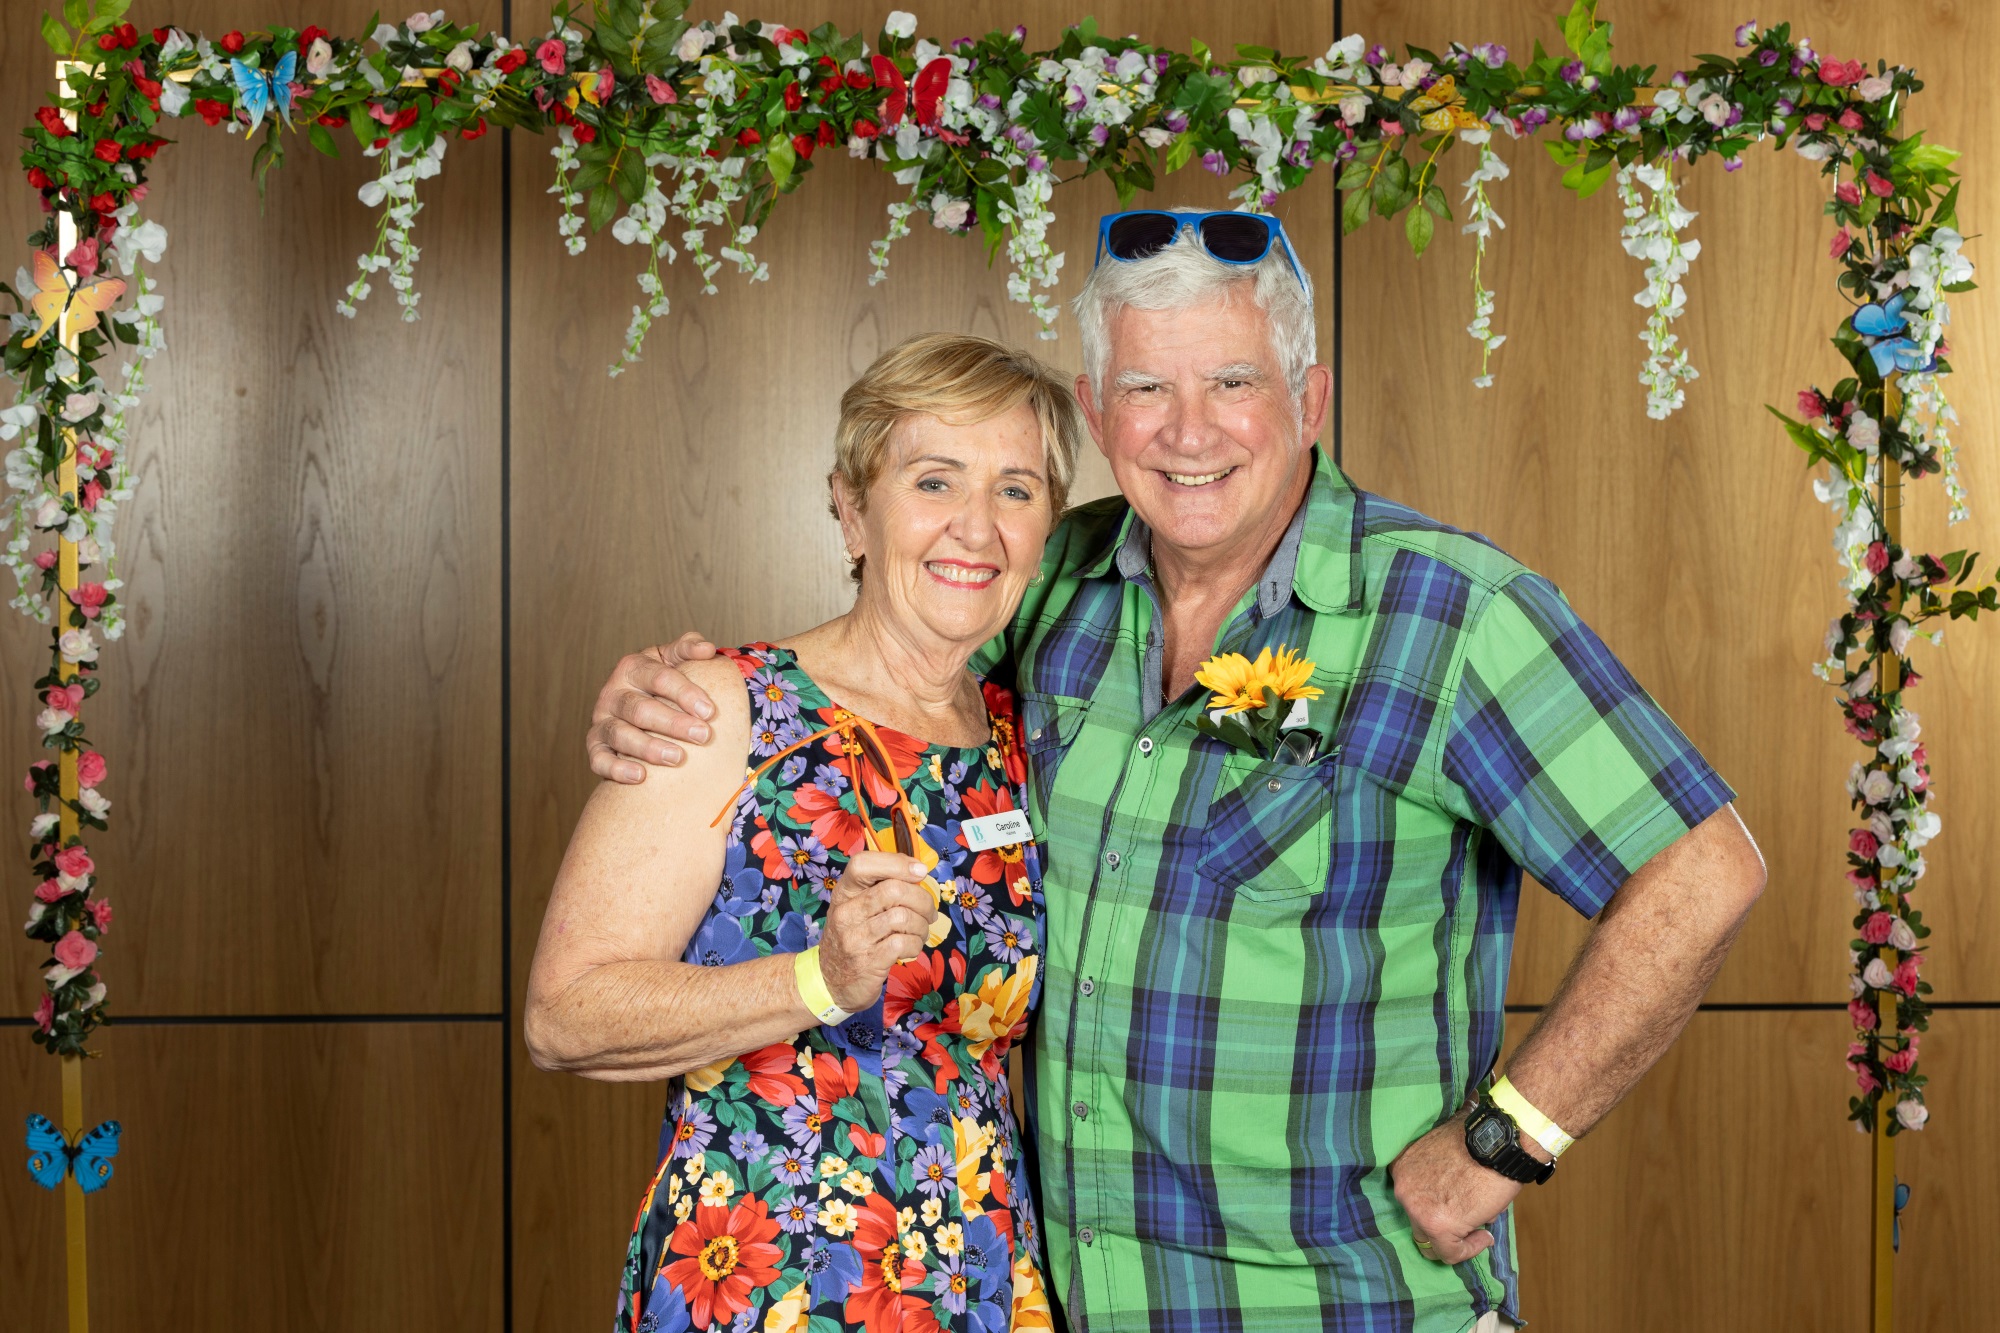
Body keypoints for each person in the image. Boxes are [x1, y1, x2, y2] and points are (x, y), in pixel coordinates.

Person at [581, 210, 1768, 1333]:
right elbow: (875, 675)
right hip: (1056, 1299)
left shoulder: (1451, 612)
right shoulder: (1051, 583)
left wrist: (1505, 1141)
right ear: (1098, 410)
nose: (1186, 432)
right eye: (1146, 387)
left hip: (1344, 1300)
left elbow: (1699, 870)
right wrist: (689, 694)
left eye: (1232, 384)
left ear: (1308, 399)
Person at [525, 333, 1085, 1333]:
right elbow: (564, 1015)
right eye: (933, 480)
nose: (976, 527)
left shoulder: (1023, 735)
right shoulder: (721, 709)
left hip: (988, 1283)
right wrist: (815, 979)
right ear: (850, 508)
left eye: (1015, 489)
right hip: (771, 1276)